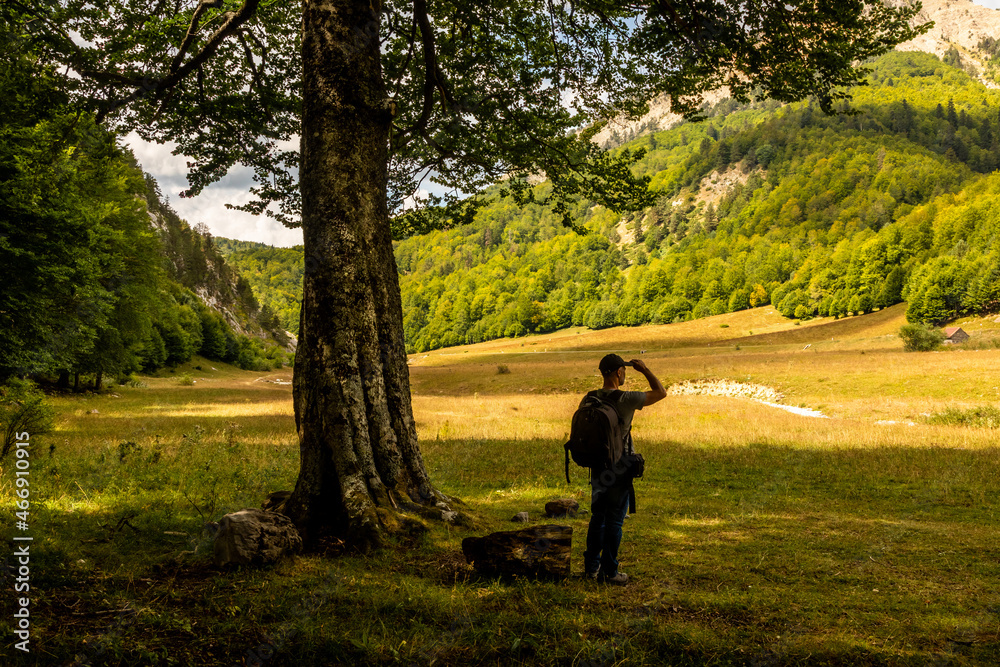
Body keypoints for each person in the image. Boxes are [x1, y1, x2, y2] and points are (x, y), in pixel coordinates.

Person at [583, 353, 666, 585]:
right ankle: (609, 573)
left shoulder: (589, 398)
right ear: (619, 372)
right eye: (625, 371)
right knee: (615, 521)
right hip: (619, 468)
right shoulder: (626, 398)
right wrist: (646, 370)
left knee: (597, 517)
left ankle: (591, 568)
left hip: (598, 467)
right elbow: (661, 393)